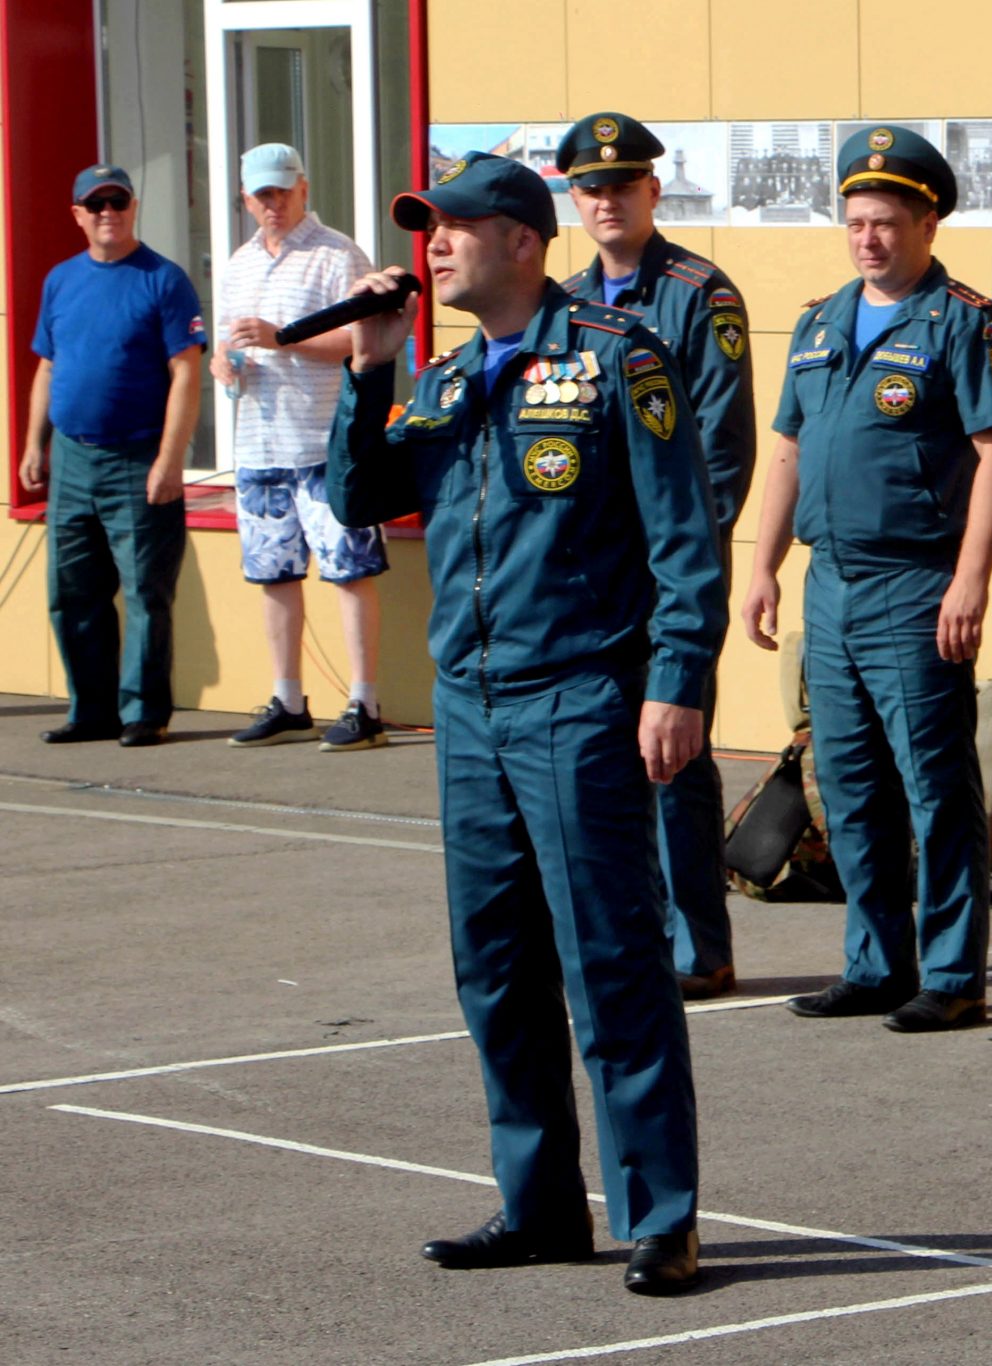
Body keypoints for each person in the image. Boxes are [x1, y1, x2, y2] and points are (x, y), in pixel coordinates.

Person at [325, 153, 727, 1296]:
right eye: (427, 230)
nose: (432, 246)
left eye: (452, 227)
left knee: (611, 963)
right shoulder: (446, 380)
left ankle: (661, 1213)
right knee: (494, 966)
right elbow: (361, 497)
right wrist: (368, 371)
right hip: (471, 706)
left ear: (518, 239)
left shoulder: (612, 360)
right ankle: (540, 1203)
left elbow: (683, 537)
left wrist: (678, 680)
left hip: (581, 698)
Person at [741, 125, 992, 1034]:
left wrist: (972, 578)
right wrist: (763, 565)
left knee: (933, 784)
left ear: (928, 222)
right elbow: (786, 451)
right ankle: (874, 961)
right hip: (833, 582)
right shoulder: (820, 321)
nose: (869, 238)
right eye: (857, 221)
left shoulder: (965, 322)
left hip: (914, 583)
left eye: (888, 222)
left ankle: (951, 973)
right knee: (847, 779)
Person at [558, 111, 756, 1000]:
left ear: (652, 191)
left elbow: (721, 450)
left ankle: (699, 946)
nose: (606, 201)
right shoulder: (562, 304)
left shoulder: (699, 293)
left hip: (668, 572)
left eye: (621, 185)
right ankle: (628, 934)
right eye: (590, 189)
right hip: (588, 577)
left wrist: (686, 566)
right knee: (601, 759)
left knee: (675, 754)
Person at [212, 143, 390, 752]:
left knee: (348, 569)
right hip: (260, 440)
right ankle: (288, 697)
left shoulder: (336, 254)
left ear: (304, 190)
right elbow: (228, 341)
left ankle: (365, 700)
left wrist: (282, 339)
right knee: (274, 575)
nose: (274, 205)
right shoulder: (237, 263)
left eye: (283, 192)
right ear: (246, 199)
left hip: (323, 441)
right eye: (263, 195)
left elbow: (362, 337)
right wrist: (224, 363)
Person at [21, 164, 205, 748]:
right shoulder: (61, 280)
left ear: (133, 206)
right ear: (77, 214)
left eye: (117, 201)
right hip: (73, 459)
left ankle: (143, 713)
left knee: (146, 592)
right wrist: (34, 444)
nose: (108, 212)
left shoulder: (163, 280)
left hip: (137, 456)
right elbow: (48, 367)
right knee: (72, 591)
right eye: (95, 204)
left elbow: (186, 373)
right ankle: (91, 709)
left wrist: (170, 461)